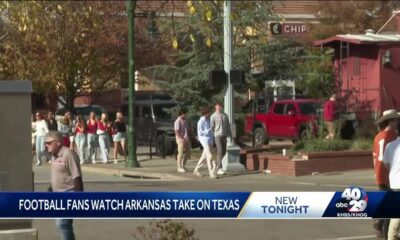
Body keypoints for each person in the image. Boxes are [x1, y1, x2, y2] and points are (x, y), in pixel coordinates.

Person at [45, 131, 83, 240]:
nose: (46, 145)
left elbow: (77, 176)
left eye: (48, 143)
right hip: (57, 196)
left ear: (57, 142)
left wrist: (79, 199)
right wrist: (51, 188)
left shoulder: (68, 154)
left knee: (62, 223)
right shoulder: (54, 156)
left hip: (68, 194)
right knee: (61, 223)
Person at [373, 109, 400, 239]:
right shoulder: (394, 137)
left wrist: (376, 173)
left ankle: (380, 222)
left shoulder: (378, 136)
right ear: (392, 121)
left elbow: (374, 158)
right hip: (391, 176)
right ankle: (385, 230)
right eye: (396, 119)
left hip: (380, 175)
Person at [193, 106, 217, 178]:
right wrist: (209, 130)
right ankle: (211, 173)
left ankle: (196, 170)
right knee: (209, 156)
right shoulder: (201, 121)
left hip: (209, 140)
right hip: (204, 140)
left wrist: (212, 140)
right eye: (208, 113)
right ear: (205, 113)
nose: (209, 114)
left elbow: (211, 132)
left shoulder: (207, 120)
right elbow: (200, 133)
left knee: (204, 157)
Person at [210, 102, 231, 175]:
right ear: (215, 107)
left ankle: (215, 162)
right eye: (218, 106)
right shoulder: (213, 116)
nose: (220, 107)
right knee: (220, 151)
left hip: (224, 136)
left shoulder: (225, 115)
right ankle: (219, 168)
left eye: (221, 106)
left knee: (224, 152)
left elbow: (228, 126)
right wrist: (213, 136)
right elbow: (212, 127)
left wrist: (230, 135)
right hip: (217, 135)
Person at [174, 108, 191, 173]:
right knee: (180, 153)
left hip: (186, 138)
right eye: (185, 114)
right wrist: (181, 138)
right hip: (180, 139)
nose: (186, 115)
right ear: (181, 114)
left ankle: (183, 165)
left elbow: (188, 129)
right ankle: (179, 167)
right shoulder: (177, 121)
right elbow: (176, 131)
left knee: (188, 152)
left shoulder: (185, 121)